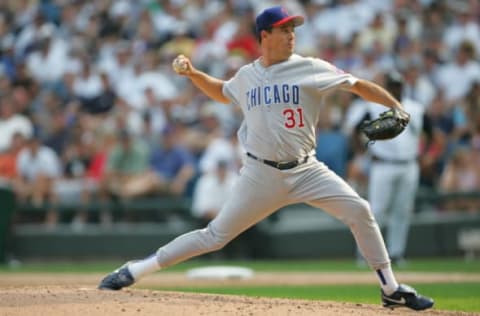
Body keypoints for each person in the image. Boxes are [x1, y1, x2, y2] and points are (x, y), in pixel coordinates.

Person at [98, 6, 433, 311]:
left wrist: (396, 107)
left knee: (360, 210)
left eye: (293, 29)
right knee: (214, 236)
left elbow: (358, 85)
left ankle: (390, 289)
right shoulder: (247, 76)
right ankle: (133, 270)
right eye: (284, 29)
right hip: (260, 175)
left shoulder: (311, 68)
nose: (291, 35)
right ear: (265, 36)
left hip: (307, 170)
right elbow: (222, 91)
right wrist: (193, 74)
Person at [356, 72, 427, 266]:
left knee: (402, 212)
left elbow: (428, 133)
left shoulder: (415, 108)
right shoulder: (372, 106)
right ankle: (367, 254)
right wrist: (363, 155)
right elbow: (355, 132)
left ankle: (396, 253)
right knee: (376, 211)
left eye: (398, 85)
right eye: (392, 85)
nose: (396, 88)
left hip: (409, 164)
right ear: (386, 87)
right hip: (382, 164)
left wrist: (426, 155)